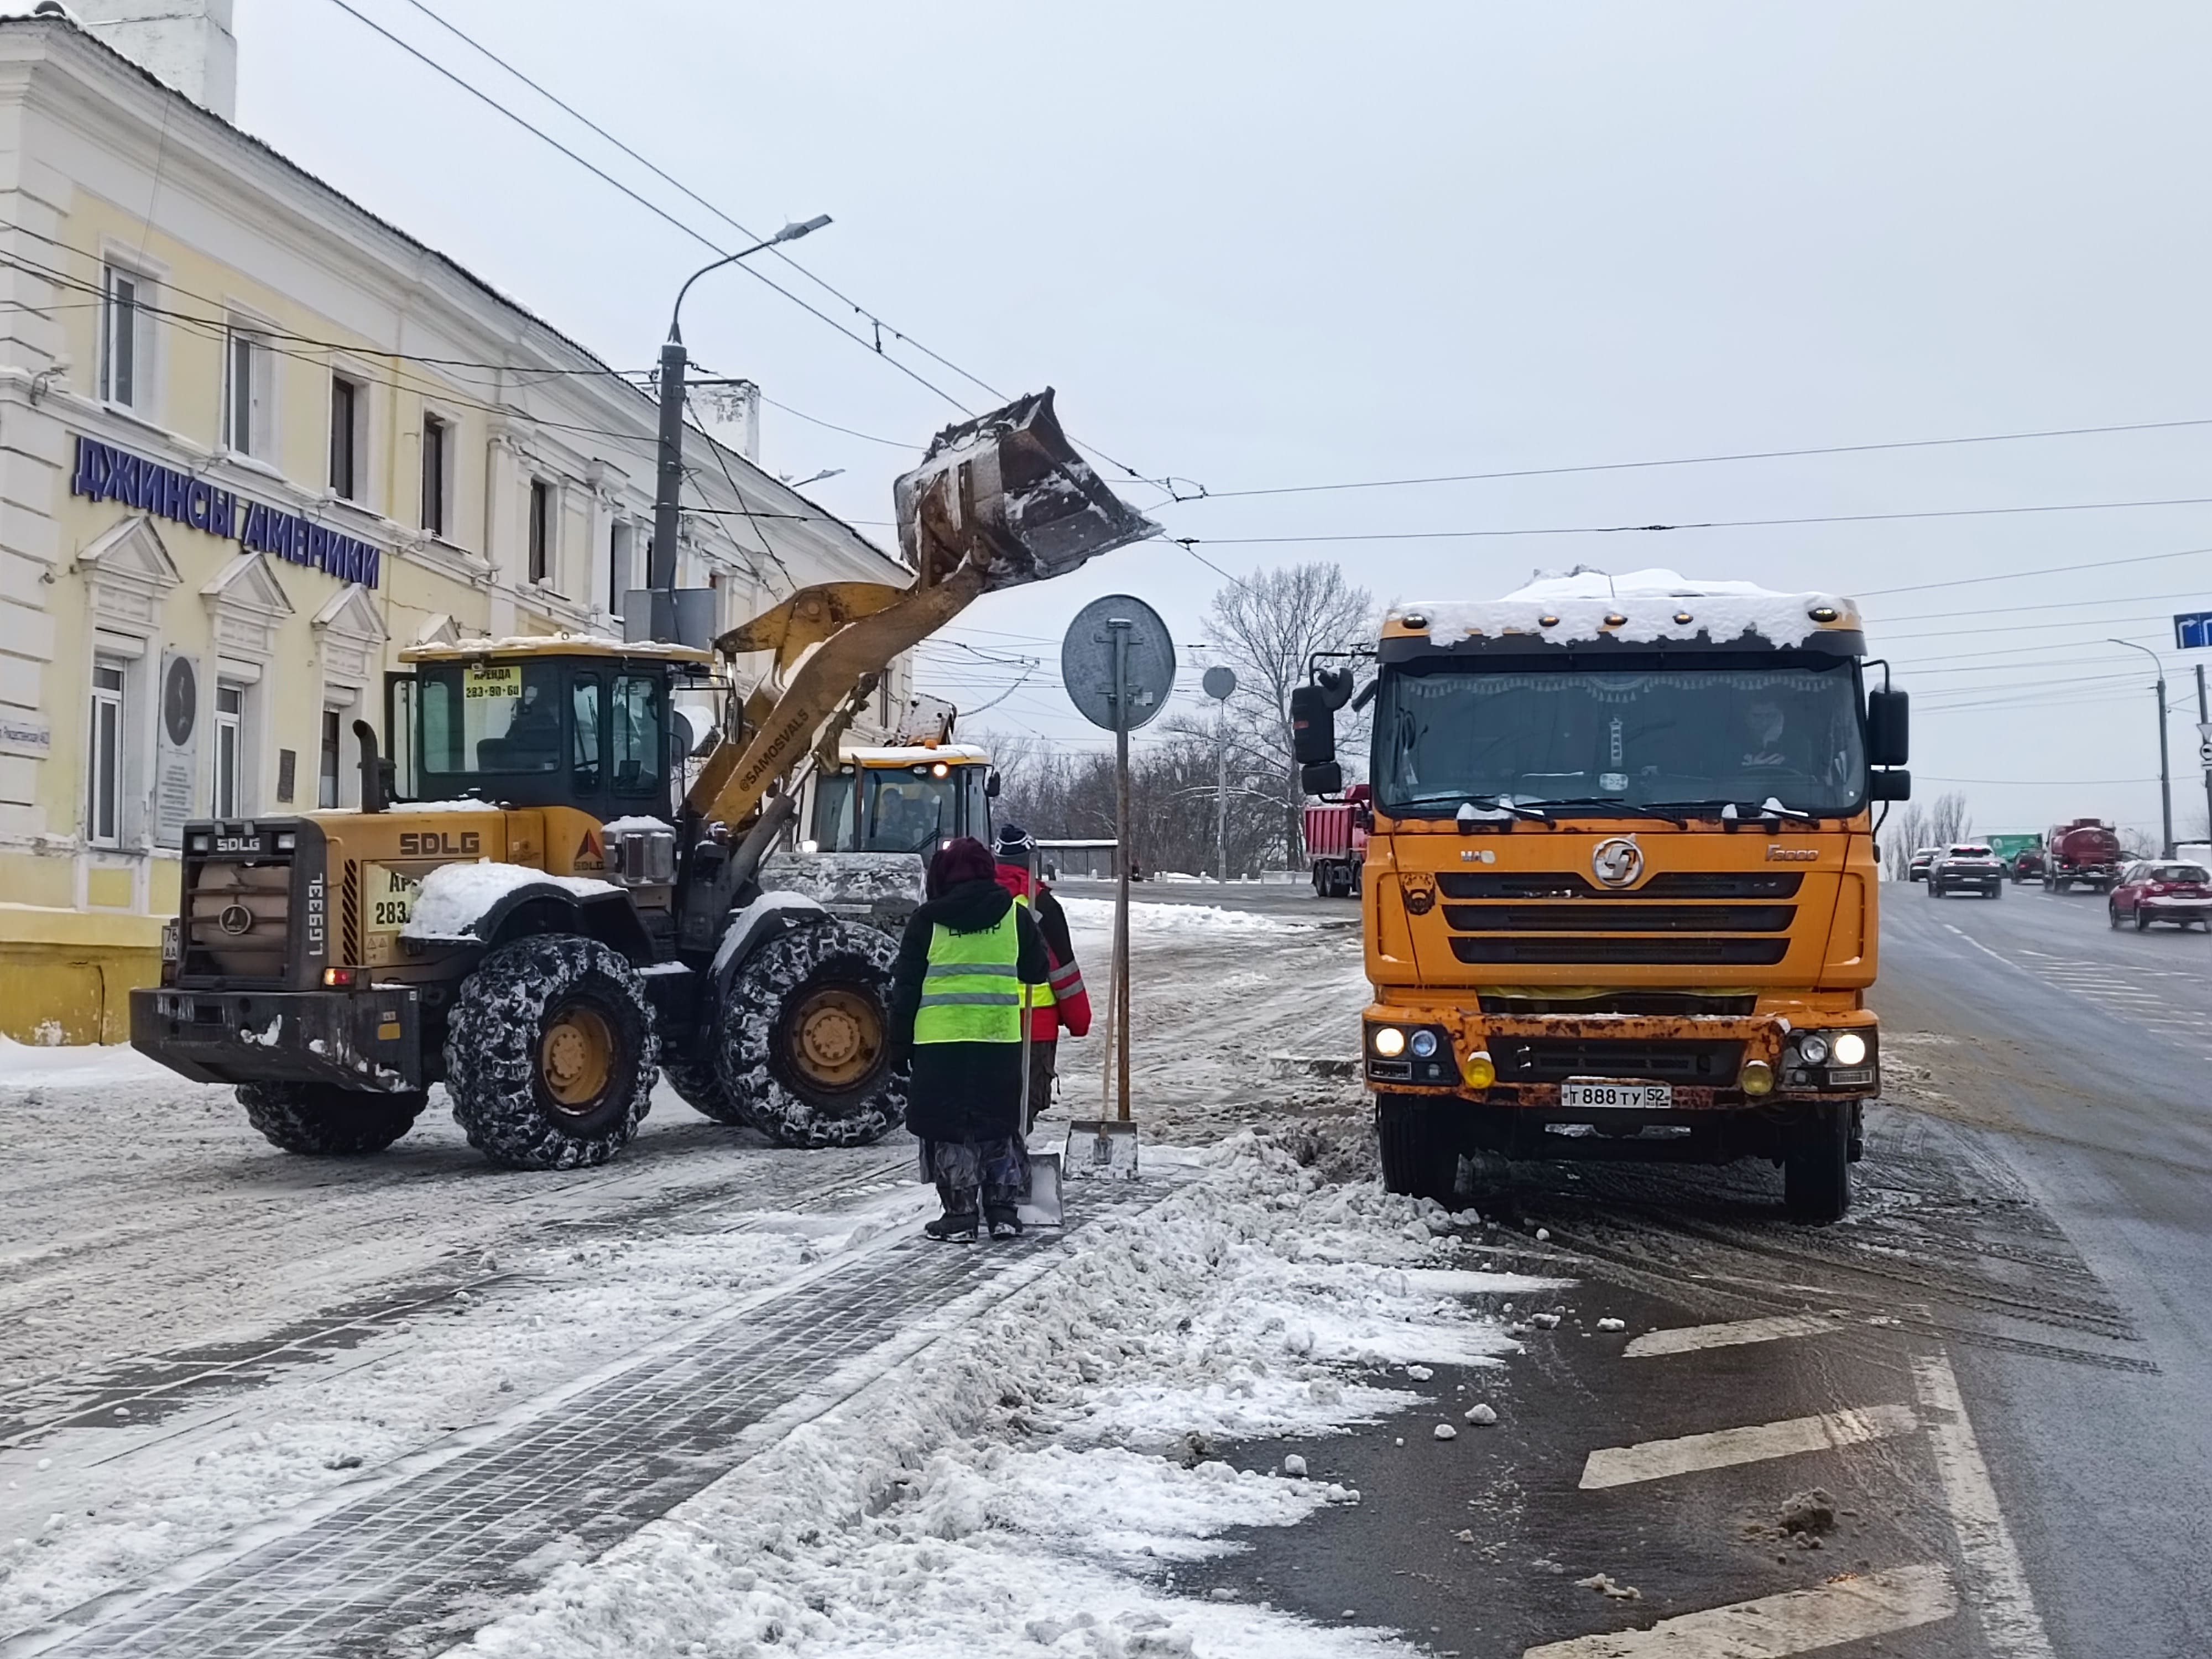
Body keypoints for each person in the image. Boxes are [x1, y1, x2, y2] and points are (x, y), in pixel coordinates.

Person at [886, 836, 1050, 1241]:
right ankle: (1003, 1212)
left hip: (941, 1044)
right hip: (999, 1040)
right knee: (998, 1123)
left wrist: (898, 1043)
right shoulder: (1015, 916)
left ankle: (960, 1216)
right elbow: (1036, 972)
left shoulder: (927, 922)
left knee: (950, 1127)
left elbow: (905, 989)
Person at [990, 824, 1093, 1130]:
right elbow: (1063, 970)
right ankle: (1015, 1167)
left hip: (985, 1022)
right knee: (1025, 1107)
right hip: (1035, 1022)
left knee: (992, 1105)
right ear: (1032, 860)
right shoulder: (1041, 906)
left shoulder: (976, 903)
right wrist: (1079, 1020)